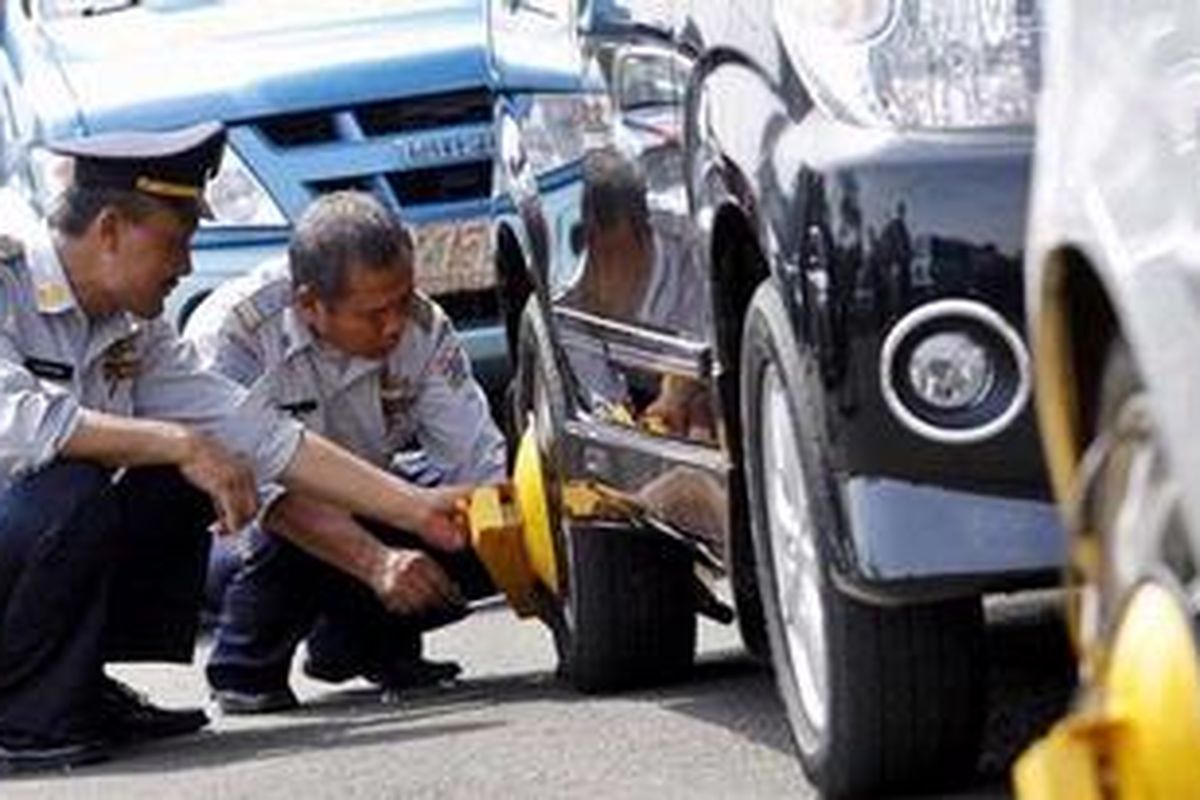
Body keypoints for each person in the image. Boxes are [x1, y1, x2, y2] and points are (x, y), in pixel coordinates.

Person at [0, 123, 472, 774]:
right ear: (109, 230)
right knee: (74, 483)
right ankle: (22, 717)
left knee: (180, 472)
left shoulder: (132, 328)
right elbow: (16, 423)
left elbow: (257, 431)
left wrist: (415, 508)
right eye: (175, 242)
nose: (185, 266)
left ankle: (75, 687)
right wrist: (178, 441)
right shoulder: (6, 276)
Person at [184, 191, 505, 714]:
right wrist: (377, 563)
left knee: (472, 526)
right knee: (287, 516)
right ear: (309, 305)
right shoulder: (234, 335)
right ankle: (245, 667)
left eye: (403, 300)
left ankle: (359, 643)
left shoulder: (425, 329)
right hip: (243, 525)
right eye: (374, 313)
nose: (395, 326)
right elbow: (259, 492)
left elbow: (477, 468)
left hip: (373, 498)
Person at [559, 146, 713, 440]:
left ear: (642, 230)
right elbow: (604, 402)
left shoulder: (690, 254)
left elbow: (702, 340)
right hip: (639, 403)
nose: (606, 264)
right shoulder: (571, 301)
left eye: (617, 250)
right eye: (598, 248)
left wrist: (672, 396)